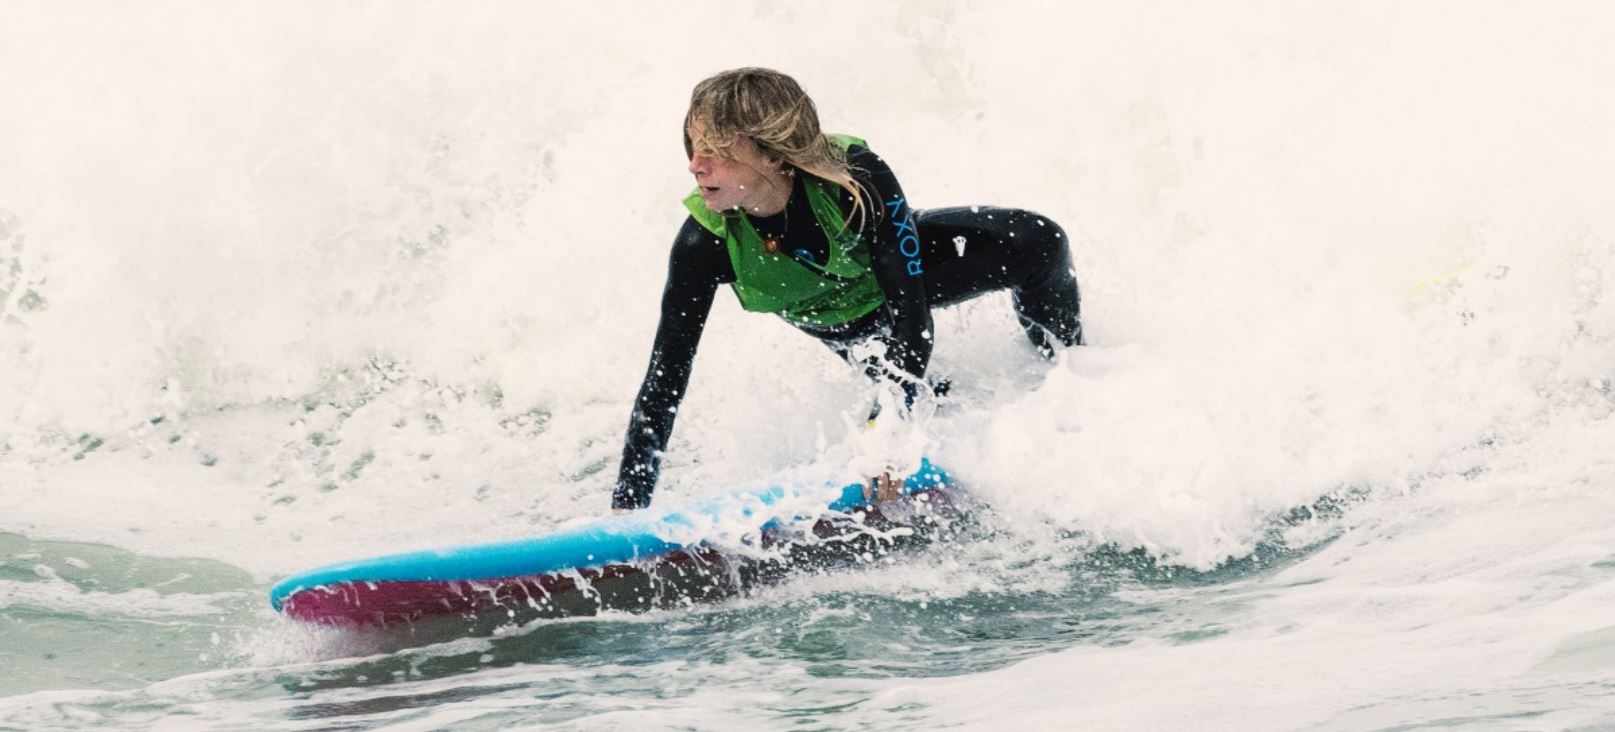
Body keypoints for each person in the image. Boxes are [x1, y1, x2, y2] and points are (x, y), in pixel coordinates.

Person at [611, 68, 1083, 512]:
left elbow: (911, 314)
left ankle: (1074, 375)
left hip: (900, 284)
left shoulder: (854, 180)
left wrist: (886, 436)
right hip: (845, 326)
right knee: (927, 393)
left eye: (714, 149)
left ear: (773, 153)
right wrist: (628, 511)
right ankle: (939, 408)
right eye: (693, 146)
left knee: (1038, 241)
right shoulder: (704, 245)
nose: (695, 165)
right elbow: (664, 379)